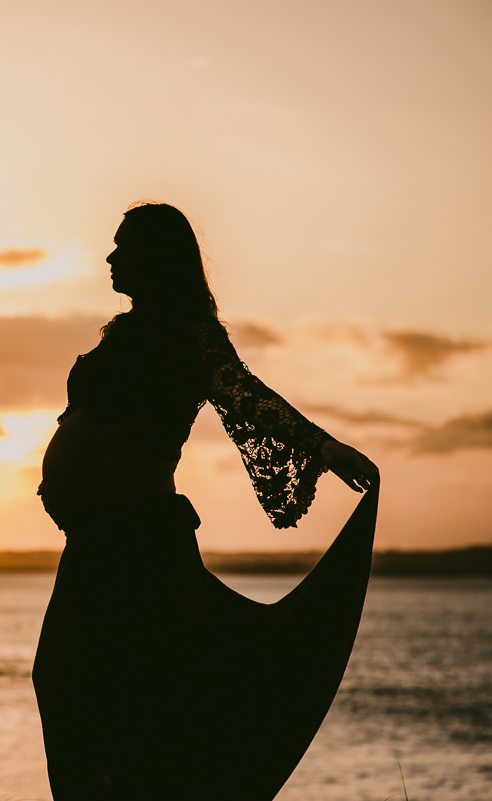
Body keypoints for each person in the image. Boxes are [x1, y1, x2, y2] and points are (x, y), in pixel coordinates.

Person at [32, 202, 380, 801]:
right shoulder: (124, 333)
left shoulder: (189, 333)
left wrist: (323, 448)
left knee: (119, 695)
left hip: (138, 542)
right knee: (61, 679)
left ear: (162, 259)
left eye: (127, 247)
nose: (112, 257)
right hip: (94, 542)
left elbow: (241, 393)